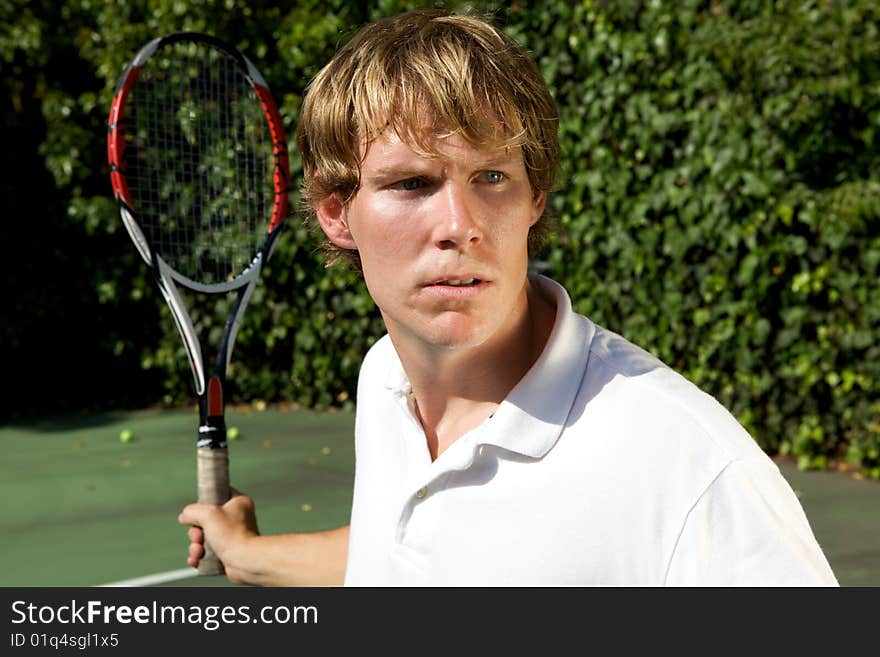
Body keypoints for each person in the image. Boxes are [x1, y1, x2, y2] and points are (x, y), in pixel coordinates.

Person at [179, 9, 838, 586]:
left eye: (491, 175)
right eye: (411, 183)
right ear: (335, 213)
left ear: (534, 202)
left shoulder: (688, 466)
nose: (459, 223)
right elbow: (420, 560)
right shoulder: (384, 378)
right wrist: (252, 554)